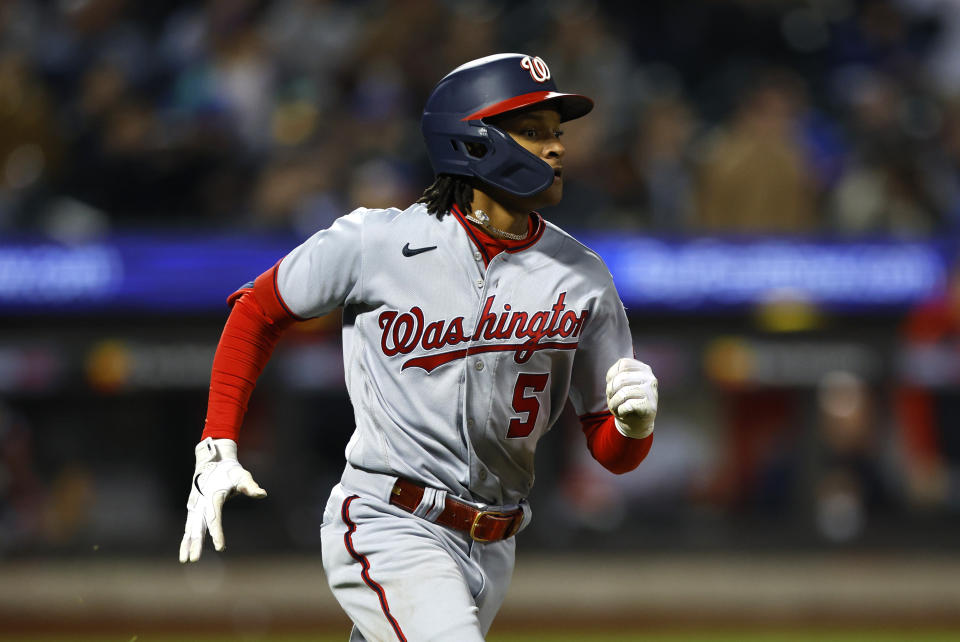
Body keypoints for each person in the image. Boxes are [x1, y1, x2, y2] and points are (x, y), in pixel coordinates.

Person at [179, 53, 659, 641]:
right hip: (389, 520)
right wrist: (218, 440)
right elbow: (257, 309)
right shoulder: (376, 243)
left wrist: (633, 427)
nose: (556, 148)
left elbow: (611, 453)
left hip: (495, 543)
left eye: (556, 133)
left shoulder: (583, 276)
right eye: (532, 132)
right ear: (473, 140)